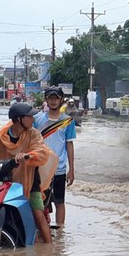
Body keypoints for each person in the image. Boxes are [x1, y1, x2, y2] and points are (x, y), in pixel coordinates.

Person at [0, 102, 58, 243]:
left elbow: (42, 151)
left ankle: (49, 248)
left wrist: (28, 155)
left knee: (38, 212)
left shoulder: (33, 134)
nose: (33, 119)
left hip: (30, 180)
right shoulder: (1, 136)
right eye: (30, 116)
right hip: (6, 180)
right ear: (20, 119)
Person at [34, 86, 76, 228]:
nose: (53, 101)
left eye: (56, 98)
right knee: (38, 201)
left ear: (61, 100)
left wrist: (71, 169)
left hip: (59, 169)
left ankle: (60, 233)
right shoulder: (37, 119)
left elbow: (69, 145)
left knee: (59, 201)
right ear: (46, 99)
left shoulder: (68, 121)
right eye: (50, 98)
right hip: (40, 168)